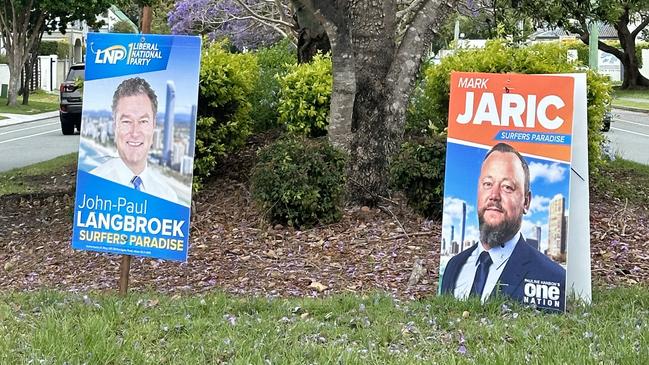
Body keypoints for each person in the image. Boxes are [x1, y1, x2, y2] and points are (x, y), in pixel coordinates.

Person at [440, 142, 566, 311]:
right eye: (487, 184)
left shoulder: (553, 278)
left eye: (507, 187)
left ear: (526, 202)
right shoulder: (453, 266)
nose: (494, 195)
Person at [91, 77, 178, 203]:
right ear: (115, 125)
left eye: (143, 121)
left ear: (153, 125)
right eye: (126, 121)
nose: (135, 132)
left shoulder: (168, 197)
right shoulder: (92, 187)